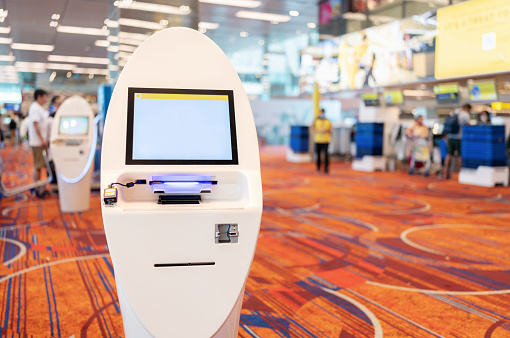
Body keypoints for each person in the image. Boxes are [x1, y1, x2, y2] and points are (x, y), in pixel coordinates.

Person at [28, 89, 49, 198]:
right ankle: (37, 189)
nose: (46, 99)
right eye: (45, 96)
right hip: (38, 142)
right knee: (38, 166)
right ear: (39, 96)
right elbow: (35, 124)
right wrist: (42, 139)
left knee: (39, 165)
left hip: (38, 142)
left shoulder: (38, 108)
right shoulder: (35, 108)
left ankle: (37, 187)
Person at [443, 103, 471, 179]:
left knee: (449, 154)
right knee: (460, 156)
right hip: (459, 138)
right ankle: (462, 174)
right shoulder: (465, 114)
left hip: (450, 136)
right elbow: (467, 125)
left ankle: (446, 173)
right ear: (467, 109)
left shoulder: (454, 112)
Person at [313, 108, 332, 173]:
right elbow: (313, 128)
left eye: (323, 113)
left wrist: (325, 130)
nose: (322, 114)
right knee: (318, 155)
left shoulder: (327, 121)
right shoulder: (316, 120)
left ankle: (326, 168)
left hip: (326, 140)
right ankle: (318, 167)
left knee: (326, 155)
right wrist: (319, 130)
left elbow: (330, 128)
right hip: (318, 140)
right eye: (321, 112)